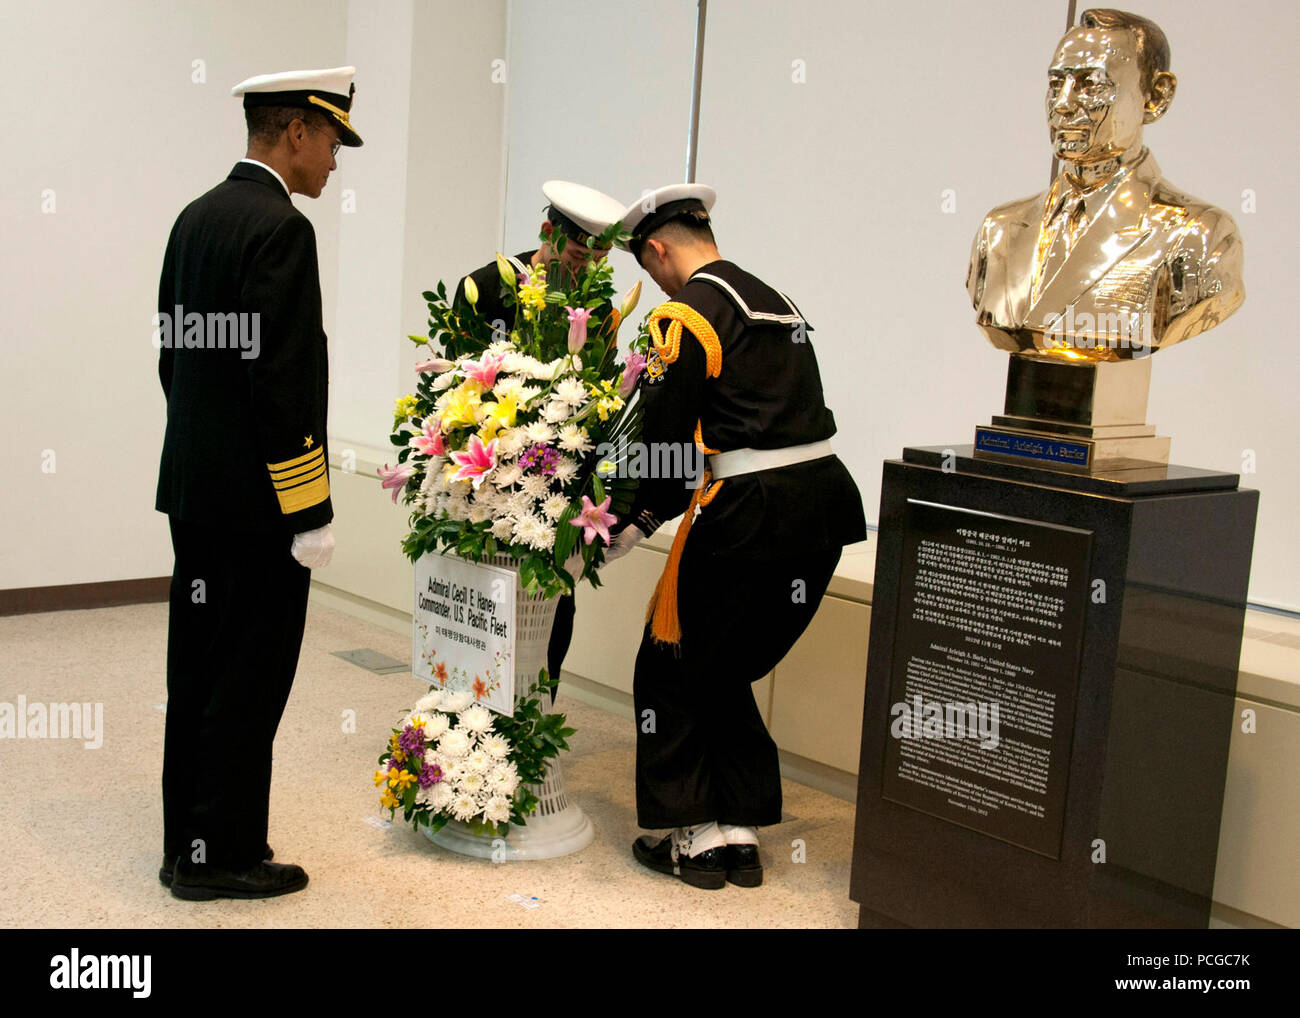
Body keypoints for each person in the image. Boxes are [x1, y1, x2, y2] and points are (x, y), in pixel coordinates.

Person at [604, 184, 867, 889]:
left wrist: (632, 518)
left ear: (658, 249)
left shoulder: (686, 315)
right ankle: (738, 829)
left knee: (670, 665)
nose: (655, 282)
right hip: (823, 508)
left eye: (648, 267)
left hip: (749, 513)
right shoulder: (778, 303)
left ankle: (694, 836)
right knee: (723, 669)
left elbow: (664, 438)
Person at [155, 66, 362, 900]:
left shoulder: (194, 219)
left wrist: (205, 455)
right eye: (335, 143)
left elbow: (174, 358)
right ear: (297, 131)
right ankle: (228, 856)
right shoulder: (281, 229)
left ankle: (189, 847)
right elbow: (282, 385)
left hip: (198, 492)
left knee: (196, 673)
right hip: (259, 507)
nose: (336, 163)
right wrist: (307, 504)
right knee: (248, 678)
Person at [967, 8, 1243, 358]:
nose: (1063, 105)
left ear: (1156, 97)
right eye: (1056, 85)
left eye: (1091, 84)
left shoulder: (1197, 235)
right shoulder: (1000, 232)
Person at [447, 181, 626, 695]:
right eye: (576, 254)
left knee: (554, 602)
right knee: (484, 602)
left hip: (556, 484)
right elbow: (458, 395)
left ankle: (538, 708)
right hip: (489, 477)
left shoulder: (601, 309)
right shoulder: (483, 288)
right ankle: (472, 705)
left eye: (599, 260)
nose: (585, 270)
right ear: (548, 232)